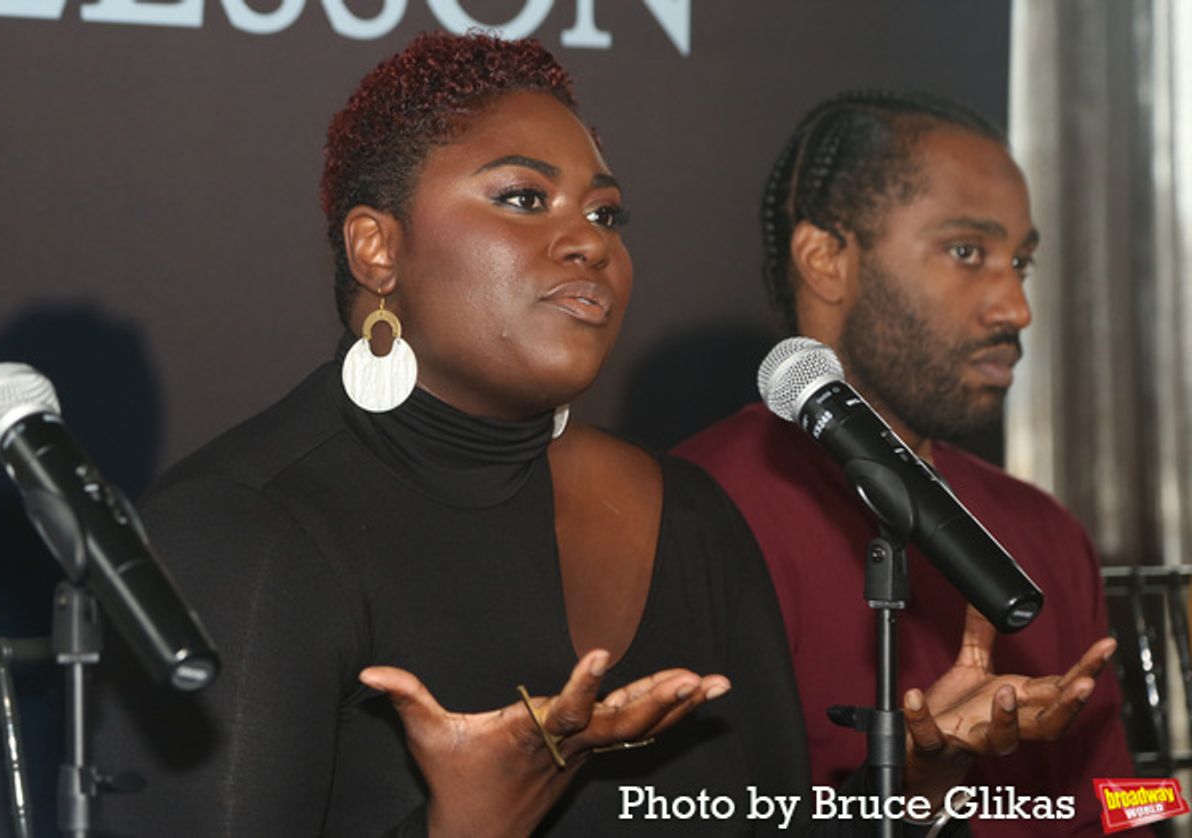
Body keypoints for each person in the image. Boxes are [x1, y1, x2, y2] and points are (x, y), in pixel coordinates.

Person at [90, 45, 1099, 836]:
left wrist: (916, 787)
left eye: (607, 213)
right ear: (377, 245)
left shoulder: (688, 517)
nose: (590, 241)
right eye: (524, 198)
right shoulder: (239, 530)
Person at [675, 90, 1140, 836]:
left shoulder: (1043, 531)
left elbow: (1121, 808)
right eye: (967, 252)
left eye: (1021, 261)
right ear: (827, 260)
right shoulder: (693, 514)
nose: (1015, 307)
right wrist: (912, 796)